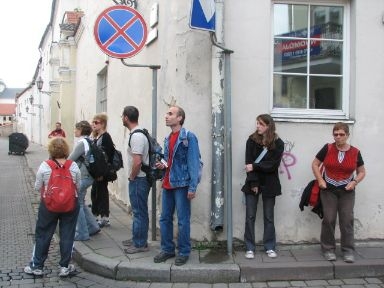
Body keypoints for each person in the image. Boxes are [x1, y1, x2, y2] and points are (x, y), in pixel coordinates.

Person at [24, 138, 81, 277]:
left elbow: (37, 186)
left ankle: (37, 266)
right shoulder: (73, 166)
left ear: (51, 150)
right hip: (70, 205)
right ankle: (64, 267)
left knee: (43, 234)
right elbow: (78, 186)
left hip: (49, 206)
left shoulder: (45, 165)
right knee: (67, 234)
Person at [153, 106, 201, 266]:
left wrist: (192, 187)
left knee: (182, 220)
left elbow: (194, 162)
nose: (166, 116)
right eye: (167, 113)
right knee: (165, 218)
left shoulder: (188, 137)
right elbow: (169, 159)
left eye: (170, 114)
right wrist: (163, 164)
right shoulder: (168, 138)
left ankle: (184, 251)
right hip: (167, 183)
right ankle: (167, 249)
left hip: (182, 184)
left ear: (179, 118)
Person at [312, 122, 365, 263]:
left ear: (347, 135)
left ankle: (348, 250)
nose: (338, 137)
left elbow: (361, 172)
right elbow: (315, 164)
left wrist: (354, 182)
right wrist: (320, 180)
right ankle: (328, 249)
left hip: (347, 191)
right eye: (335, 134)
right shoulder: (327, 148)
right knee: (329, 219)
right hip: (328, 189)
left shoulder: (355, 152)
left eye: (341, 134)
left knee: (346, 220)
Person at [242, 114, 284, 259]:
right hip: (253, 182)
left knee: (269, 217)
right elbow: (248, 163)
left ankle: (270, 246)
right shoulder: (251, 140)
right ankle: (249, 247)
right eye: (257, 123)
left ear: (268, 126)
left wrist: (254, 166)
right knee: (250, 216)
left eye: (261, 124)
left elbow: (272, 165)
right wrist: (253, 182)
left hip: (270, 183)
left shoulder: (278, 143)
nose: (258, 126)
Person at [121, 106, 151, 254]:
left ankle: (139, 243)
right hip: (140, 179)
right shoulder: (137, 133)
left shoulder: (137, 136)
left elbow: (137, 162)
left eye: (122, 116)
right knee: (139, 211)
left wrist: (132, 177)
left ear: (126, 117)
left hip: (139, 180)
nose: (122, 119)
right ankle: (137, 238)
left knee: (139, 212)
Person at [68, 121, 101, 241]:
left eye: (76, 129)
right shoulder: (89, 140)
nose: (74, 131)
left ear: (81, 130)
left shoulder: (82, 143)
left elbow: (70, 159)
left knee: (77, 205)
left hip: (83, 177)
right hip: (89, 176)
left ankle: (82, 233)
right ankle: (93, 226)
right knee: (81, 202)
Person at [90, 113, 115, 228]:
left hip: (102, 172)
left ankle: (105, 218)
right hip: (97, 172)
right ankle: (95, 215)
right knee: (95, 192)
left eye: (96, 122)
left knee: (102, 193)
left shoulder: (105, 137)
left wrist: (101, 173)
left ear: (103, 124)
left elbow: (106, 157)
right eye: (93, 122)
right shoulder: (96, 137)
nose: (93, 124)